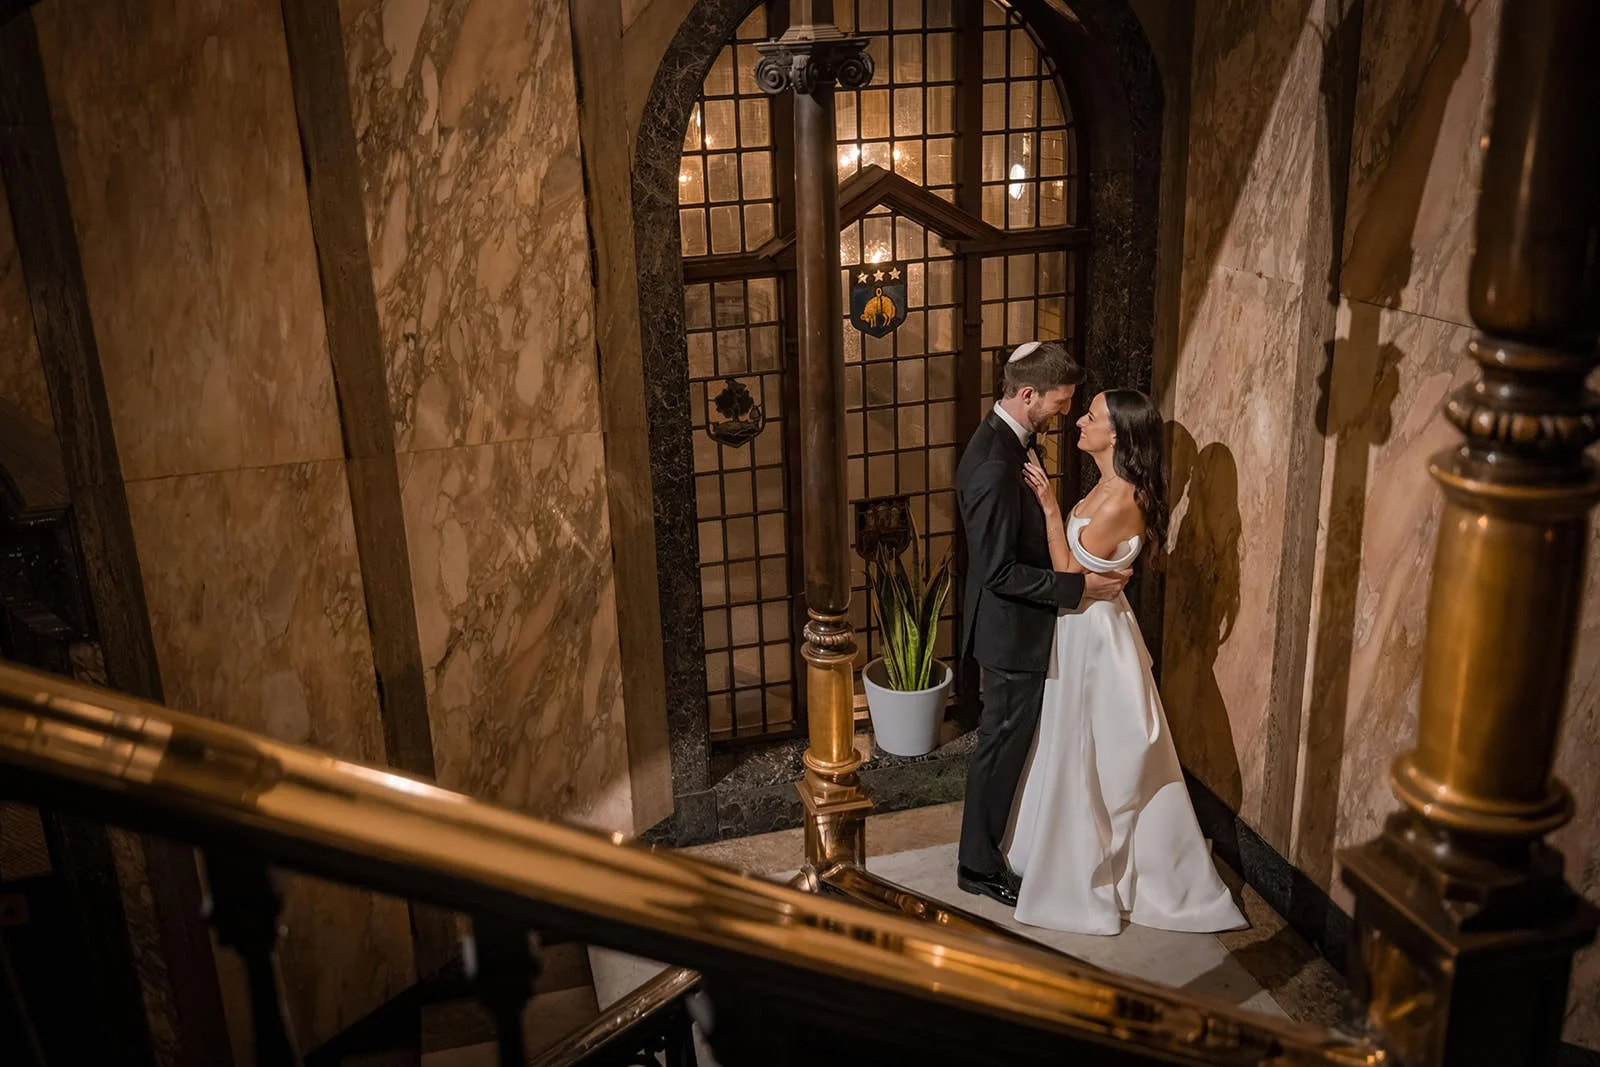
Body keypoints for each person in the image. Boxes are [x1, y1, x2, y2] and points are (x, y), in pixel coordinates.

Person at [1005, 388, 1245, 934]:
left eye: (1090, 415)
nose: (1080, 422)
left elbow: (1067, 569)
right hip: (1084, 629)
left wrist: (1047, 507)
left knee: (1093, 753)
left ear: (1116, 433)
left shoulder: (1119, 501)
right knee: (1073, 745)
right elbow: (1082, 579)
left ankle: (1097, 866)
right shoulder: (1108, 487)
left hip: (1096, 645)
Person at [953, 340, 1131, 907]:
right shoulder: (991, 465)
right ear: (1027, 394)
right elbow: (999, 572)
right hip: (1010, 636)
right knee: (999, 750)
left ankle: (993, 852)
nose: (1066, 412)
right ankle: (977, 867)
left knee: (1008, 749)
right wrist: (1078, 587)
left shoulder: (1011, 442)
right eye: (1060, 401)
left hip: (1021, 629)